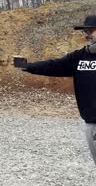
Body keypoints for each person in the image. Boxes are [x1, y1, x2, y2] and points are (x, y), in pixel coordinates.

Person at [18, 14, 96, 165]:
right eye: (85, 32)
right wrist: (27, 66)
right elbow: (53, 65)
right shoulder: (80, 57)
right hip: (90, 124)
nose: (87, 35)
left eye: (91, 31)